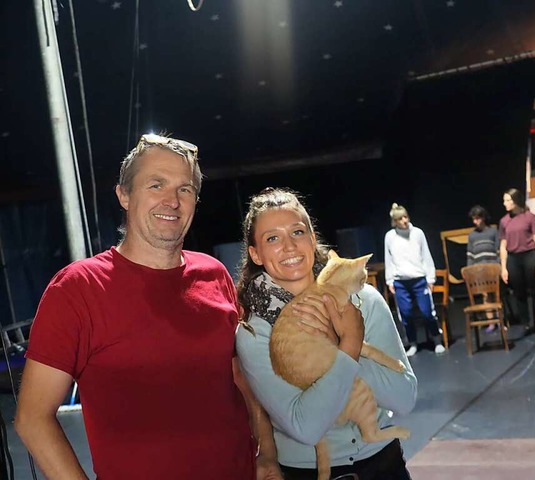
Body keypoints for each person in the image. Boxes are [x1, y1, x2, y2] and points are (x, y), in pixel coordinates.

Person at [15, 134, 272, 479]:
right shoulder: (78, 288)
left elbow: (240, 379)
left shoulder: (214, 274)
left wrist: (267, 455)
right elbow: (32, 418)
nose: (172, 201)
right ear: (124, 194)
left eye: (185, 189)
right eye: (156, 184)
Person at [235, 188, 417, 480]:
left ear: (311, 238)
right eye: (272, 238)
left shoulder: (365, 300)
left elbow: (405, 398)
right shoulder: (254, 332)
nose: (290, 246)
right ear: (256, 254)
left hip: (385, 466)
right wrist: (347, 345)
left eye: (297, 232)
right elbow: (306, 427)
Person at [384, 203, 444, 356]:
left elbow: (426, 255)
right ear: (395, 221)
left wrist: (430, 278)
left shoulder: (417, 233)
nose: (404, 220)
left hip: (419, 280)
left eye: (405, 217)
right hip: (400, 282)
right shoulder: (390, 237)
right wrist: (390, 280)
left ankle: (437, 340)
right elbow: (388, 259)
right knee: (406, 314)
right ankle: (412, 343)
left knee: (427, 312)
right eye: (400, 219)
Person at [499, 188, 535, 336]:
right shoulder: (504, 221)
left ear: (516, 200)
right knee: (518, 293)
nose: (505, 203)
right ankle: (526, 323)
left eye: (508, 200)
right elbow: (503, 245)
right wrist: (504, 267)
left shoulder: (529, 217)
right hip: (513, 258)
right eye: (504, 200)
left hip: (529, 255)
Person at [467, 205, 502, 333]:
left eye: (477, 218)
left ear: (483, 218)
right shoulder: (472, 235)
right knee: (486, 295)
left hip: (493, 269)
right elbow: (470, 255)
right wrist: (470, 272)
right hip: (479, 272)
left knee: (497, 295)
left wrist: (499, 266)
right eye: (473, 219)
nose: (475, 221)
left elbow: (498, 250)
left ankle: (501, 320)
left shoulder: (493, 231)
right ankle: (491, 322)